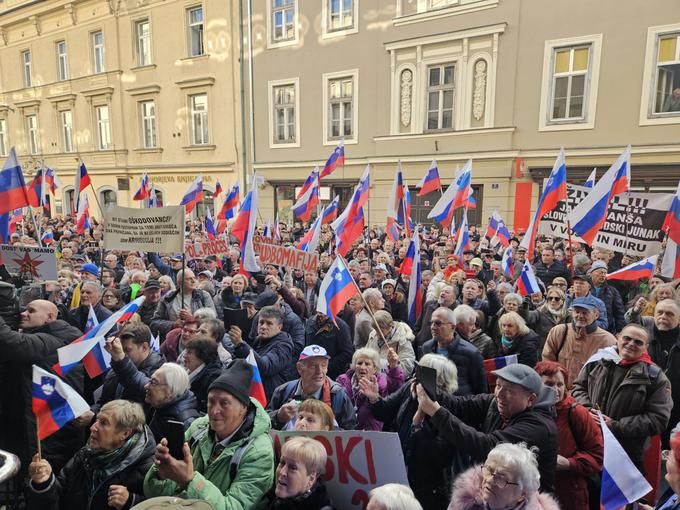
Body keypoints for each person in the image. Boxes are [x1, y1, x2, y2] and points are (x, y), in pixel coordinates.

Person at [143, 360, 276, 509]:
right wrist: (162, 473)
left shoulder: (259, 453)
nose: (214, 411)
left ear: (243, 407)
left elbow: (235, 507)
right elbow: (154, 493)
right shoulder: (199, 428)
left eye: (224, 403)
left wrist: (190, 480)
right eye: (211, 402)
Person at [414, 363, 558, 493]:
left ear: (531, 399)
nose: (499, 394)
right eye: (498, 385)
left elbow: (487, 447)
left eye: (509, 391)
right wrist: (427, 388)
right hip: (496, 495)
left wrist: (435, 411)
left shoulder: (539, 426)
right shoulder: (496, 402)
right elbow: (459, 406)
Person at [0, 295, 85, 476]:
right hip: (30, 426)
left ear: (50, 317)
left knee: (43, 482)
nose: (23, 314)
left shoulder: (55, 340)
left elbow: (14, 343)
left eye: (31, 311)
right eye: (24, 309)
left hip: (51, 435)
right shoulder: (41, 335)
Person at [572, 324, 673, 473]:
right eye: (627, 338)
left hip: (626, 453)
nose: (631, 344)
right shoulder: (597, 361)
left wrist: (615, 425)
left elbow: (658, 419)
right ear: (618, 338)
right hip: (589, 444)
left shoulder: (655, 378)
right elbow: (578, 388)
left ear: (646, 347)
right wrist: (587, 411)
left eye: (638, 342)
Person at [366, 354, 462, 510]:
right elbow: (384, 411)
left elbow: (441, 455)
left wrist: (419, 424)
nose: (416, 377)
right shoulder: (410, 387)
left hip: (425, 483)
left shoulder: (450, 407)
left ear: (437, 382)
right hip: (398, 467)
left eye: (421, 374)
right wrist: (374, 398)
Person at [27, 400, 155, 510]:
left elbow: (166, 504)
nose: (92, 427)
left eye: (104, 423)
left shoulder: (148, 469)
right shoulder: (84, 456)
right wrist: (44, 483)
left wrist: (131, 502)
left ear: (125, 434)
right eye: (97, 420)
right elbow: (57, 498)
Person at [535, 361, 603, 510]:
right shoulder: (527, 409)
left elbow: (598, 456)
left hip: (569, 495)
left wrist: (569, 463)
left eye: (560, 384)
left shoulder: (576, 412)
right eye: (549, 384)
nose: (555, 390)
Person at [83, 323, 165, 425]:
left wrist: (96, 418)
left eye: (127, 350)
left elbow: (140, 391)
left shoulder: (159, 374)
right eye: (121, 349)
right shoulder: (118, 364)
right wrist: (92, 412)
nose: (122, 353)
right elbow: (104, 400)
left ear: (144, 347)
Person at [626, 299, 680, 444]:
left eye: (669, 314)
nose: (663, 316)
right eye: (660, 312)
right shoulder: (641, 340)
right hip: (643, 408)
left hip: (676, 408)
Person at [267, 345, 357, 430]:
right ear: (299, 368)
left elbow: (351, 431)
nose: (319, 371)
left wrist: (324, 427)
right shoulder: (283, 391)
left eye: (323, 365)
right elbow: (262, 422)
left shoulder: (337, 394)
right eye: (313, 366)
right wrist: (278, 417)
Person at [448, 443, 560, 510]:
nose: (490, 480)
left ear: (522, 494)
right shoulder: (464, 500)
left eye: (501, 478)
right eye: (489, 470)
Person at [542, 295, 617, 384]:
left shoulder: (607, 340)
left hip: (587, 394)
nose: (580, 316)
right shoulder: (559, 331)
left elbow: (610, 374)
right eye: (577, 312)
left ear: (596, 315)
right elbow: (547, 361)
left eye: (585, 313)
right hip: (560, 392)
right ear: (572, 313)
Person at [229, 305, 294, 400]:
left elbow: (265, 367)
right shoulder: (258, 340)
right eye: (261, 322)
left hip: (271, 399)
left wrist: (240, 344)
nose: (263, 327)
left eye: (269, 323)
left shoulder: (284, 346)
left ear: (279, 327)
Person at [421, 307, 487, 395]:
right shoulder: (426, 347)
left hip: (460, 405)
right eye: (431, 323)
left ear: (452, 327)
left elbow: (481, 391)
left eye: (438, 323)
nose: (433, 327)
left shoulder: (471, 353)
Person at [336, 347, 404, 430]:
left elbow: (396, 389)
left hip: (371, 436)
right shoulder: (342, 381)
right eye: (359, 363)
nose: (362, 367)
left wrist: (394, 368)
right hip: (345, 433)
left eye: (367, 364)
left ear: (375, 369)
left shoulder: (382, 383)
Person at [267, 436, 335, 510]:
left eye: (293, 467)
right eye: (282, 462)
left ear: (311, 479)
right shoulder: (277, 501)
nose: (282, 472)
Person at [151, 269, 216, 339]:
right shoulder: (168, 298)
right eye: (189, 279)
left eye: (194, 278)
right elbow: (155, 322)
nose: (193, 281)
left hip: (198, 339)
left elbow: (213, 321)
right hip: (174, 339)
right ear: (179, 282)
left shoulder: (203, 296)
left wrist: (193, 319)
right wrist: (173, 325)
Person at [304, 312, 354, 380]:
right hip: (311, 372)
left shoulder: (340, 326)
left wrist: (326, 366)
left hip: (332, 376)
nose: (322, 313)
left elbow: (348, 353)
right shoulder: (310, 322)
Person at [366, 310, 416, 378]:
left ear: (391, 326)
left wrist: (393, 364)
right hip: (373, 377)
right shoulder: (373, 335)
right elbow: (366, 355)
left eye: (381, 330)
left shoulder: (402, 340)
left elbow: (407, 367)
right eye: (375, 329)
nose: (377, 334)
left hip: (392, 379)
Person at [523, 286, 572, 352]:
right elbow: (527, 318)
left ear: (562, 301)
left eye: (556, 299)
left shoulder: (568, 315)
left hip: (562, 351)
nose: (553, 300)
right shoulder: (540, 312)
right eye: (550, 298)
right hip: (543, 351)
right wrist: (524, 306)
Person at [183, 337, 224, 413]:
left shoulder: (212, 379)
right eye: (185, 352)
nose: (184, 356)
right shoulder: (186, 370)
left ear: (202, 356)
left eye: (189, 353)